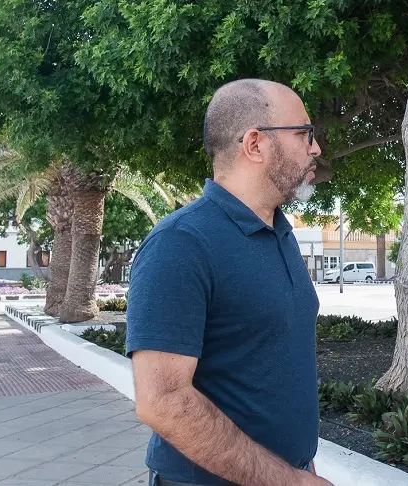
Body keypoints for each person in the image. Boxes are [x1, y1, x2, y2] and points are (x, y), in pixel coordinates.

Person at [126, 79, 332, 486]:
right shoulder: (181, 243)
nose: (316, 148)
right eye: (303, 132)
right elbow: (162, 401)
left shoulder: (280, 232)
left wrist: (300, 466)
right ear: (255, 144)